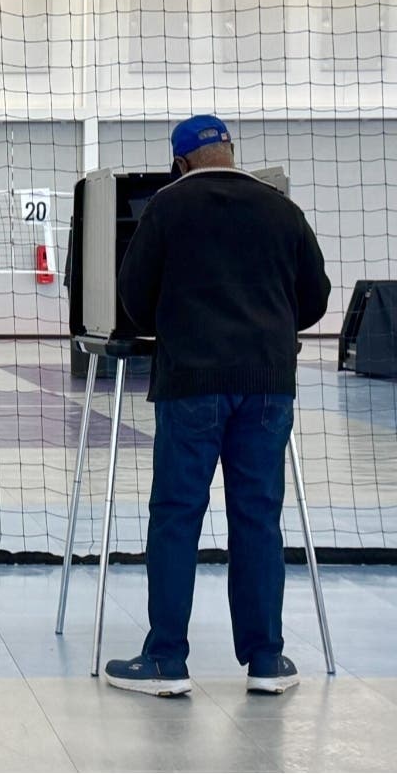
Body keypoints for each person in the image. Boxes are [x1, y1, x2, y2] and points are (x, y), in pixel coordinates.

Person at [104, 115, 331, 697]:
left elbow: (132, 297)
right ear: (232, 151)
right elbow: (315, 298)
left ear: (178, 162)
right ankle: (267, 661)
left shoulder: (166, 207)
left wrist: (179, 326)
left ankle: (166, 662)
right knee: (258, 516)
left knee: (177, 515)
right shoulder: (281, 208)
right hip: (268, 383)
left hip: (192, 381)